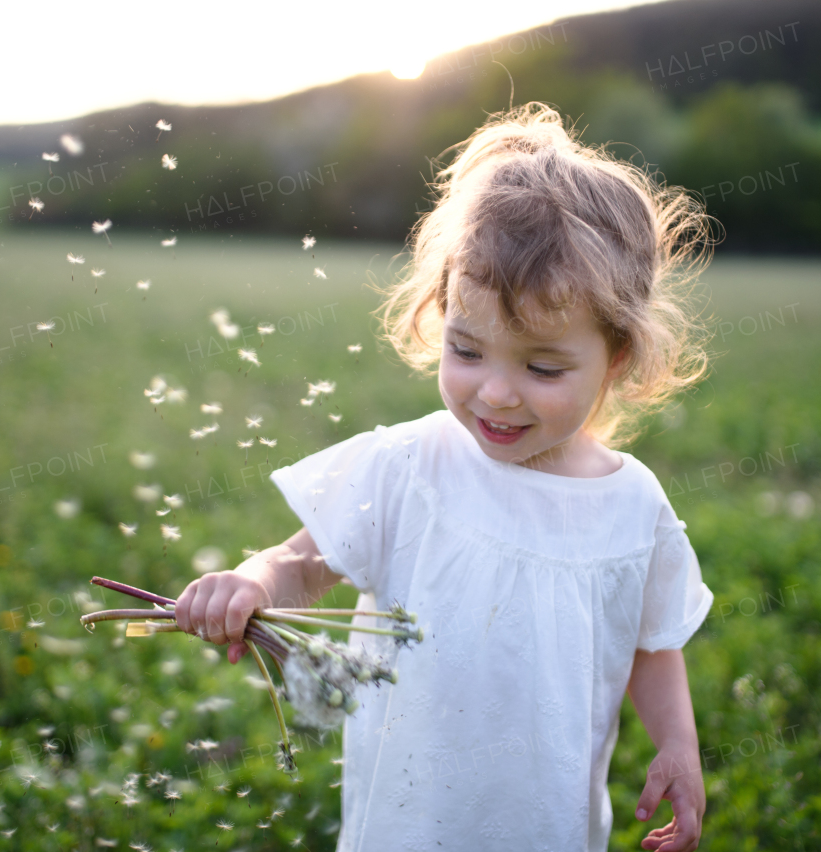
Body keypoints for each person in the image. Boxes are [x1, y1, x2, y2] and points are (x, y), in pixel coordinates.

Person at [174, 101, 717, 852]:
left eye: (542, 366)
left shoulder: (633, 507)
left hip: (547, 830)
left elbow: (653, 644)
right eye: (466, 350)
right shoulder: (408, 466)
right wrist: (253, 582)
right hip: (406, 825)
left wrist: (678, 746)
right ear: (439, 315)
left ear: (616, 358)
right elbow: (302, 563)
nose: (495, 391)